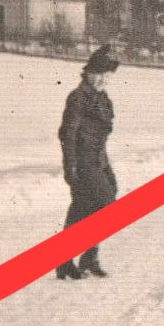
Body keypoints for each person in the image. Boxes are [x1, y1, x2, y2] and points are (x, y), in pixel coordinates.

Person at [56, 45, 119, 280]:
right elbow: (67, 134)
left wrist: (106, 167)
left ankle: (73, 260)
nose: (104, 79)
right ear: (89, 72)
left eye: (108, 75)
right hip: (82, 161)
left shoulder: (103, 99)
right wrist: (70, 166)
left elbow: (101, 137)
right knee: (106, 205)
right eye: (100, 73)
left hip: (98, 160)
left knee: (83, 208)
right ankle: (83, 257)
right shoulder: (78, 98)